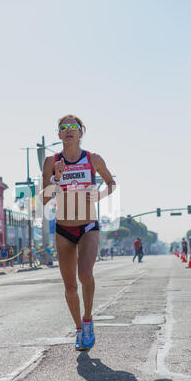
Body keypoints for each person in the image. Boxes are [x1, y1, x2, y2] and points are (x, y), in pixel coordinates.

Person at [42, 114, 116, 351]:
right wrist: (56, 178)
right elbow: (43, 198)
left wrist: (99, 195)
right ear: (59, 135)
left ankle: (88, 319)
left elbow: (111, 183)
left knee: (85, 273)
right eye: (63, 128)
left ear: (81, 132)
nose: (69, 130)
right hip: (63, 229)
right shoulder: (51, 161)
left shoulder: (93, 159)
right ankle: (78, 329)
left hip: (87, 226)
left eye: (73, 127)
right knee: (70, 287)